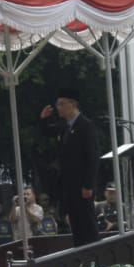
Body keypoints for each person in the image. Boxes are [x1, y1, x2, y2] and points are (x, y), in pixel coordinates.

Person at [39, 88, 100, 246]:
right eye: (57, 104)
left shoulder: (86, 126)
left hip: (82, 186)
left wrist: (88, 185)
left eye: (61, 104)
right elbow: (47, 132)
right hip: (68, 185)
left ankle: (94, 254)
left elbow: (92, 158)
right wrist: (44, 120)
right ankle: (81, 253)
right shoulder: (64, 126)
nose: (58, 107)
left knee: (87, 222)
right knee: (75, 224)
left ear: (72, 104)